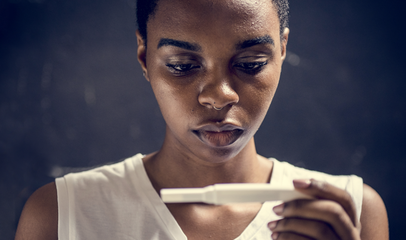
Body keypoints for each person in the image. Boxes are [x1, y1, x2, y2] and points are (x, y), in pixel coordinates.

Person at [15, 0, 389, 239]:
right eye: (182, 66)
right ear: (145, 59)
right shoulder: (62, 215)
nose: (220, 95)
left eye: (251, 64)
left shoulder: (351, 212)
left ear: (282, 52)